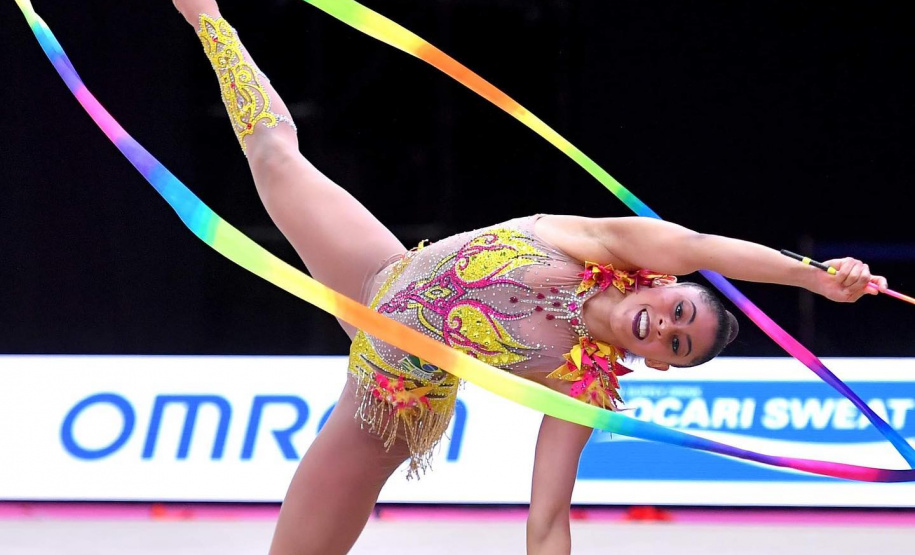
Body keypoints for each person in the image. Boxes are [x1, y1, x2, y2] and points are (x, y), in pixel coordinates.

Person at [170, 2, 888, 553]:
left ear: (653, 361)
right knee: (275, 159)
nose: (665, 326)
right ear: (659, 281)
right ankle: (203, 14)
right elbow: (705, 244)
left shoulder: (582, 386)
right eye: (678, 310)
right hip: (379, 276)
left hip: (388, 400)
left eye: (676, 343)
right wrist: (814, 277)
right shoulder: (597, 239)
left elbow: (546, 516)